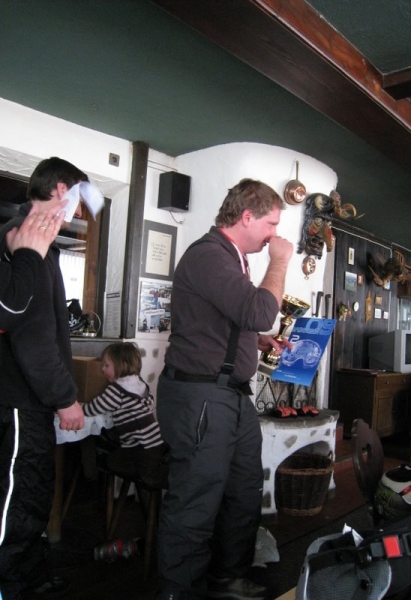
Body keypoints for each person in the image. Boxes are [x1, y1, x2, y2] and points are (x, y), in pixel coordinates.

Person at [156, 178, 293, 600]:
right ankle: (180, 592)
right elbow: (260, 311)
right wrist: (280, 261)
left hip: (230, 396)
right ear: (247, 217)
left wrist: (256, 343)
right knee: (195, 502)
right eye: (271, 224)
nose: (275, 234)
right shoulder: (208, 255)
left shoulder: (233, 259)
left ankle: (227, 579)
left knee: (243, 492)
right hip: (201, 397)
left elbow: (226, 322)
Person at [0, 157, 86, 600]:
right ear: (61, 190)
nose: (80, 210)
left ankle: (28, 576)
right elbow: (32, 337)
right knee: (18, 499)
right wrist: (65, 397)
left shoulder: (42, 244)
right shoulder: (22, 237)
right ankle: (12, 586)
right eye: (79, 197)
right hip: (19, 400)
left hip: (29, 400)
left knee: (33, 494)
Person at [82, 342, 167, 487]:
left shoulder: (117, 390)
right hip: (157, 443)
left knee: (111, 460)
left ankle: (152, 474)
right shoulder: (140, 383)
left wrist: (80, 407)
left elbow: (93, 408)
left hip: (139, 448)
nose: (102, 369)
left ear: (122, 365)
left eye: (106, 365)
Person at [0, 203, 67, 331]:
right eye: (80, 203)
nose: (79, 213)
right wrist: (28, 255)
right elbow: (7, 311)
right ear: (61, 191)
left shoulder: (30, 235)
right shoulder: (21, 231)